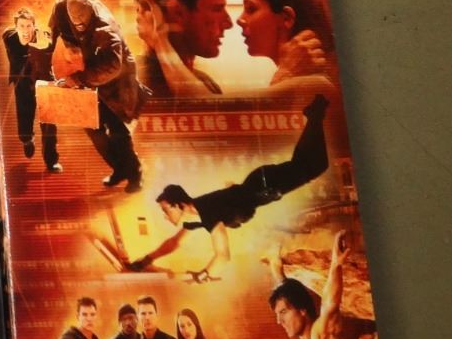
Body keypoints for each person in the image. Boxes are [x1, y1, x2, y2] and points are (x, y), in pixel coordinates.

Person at [133, 96, 333, 280]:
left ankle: (316, 112)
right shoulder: (196, 217)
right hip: (263, 184)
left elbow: (223, 256)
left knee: (314, 165)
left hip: (266, 185)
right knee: (306, 164)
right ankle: (315, 113)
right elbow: (174, 243)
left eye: (166, 210)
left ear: (179, 205)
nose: (165, 216)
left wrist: (203, 275)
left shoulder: (207, 212)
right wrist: (146, 260)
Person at [46, 0, 144, 191]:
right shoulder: (67, 5)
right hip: (93, 73)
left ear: (90, 10)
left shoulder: (106, 30)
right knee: (92, 127)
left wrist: (77, 79)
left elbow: (113, 67)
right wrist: (55, 42)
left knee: (118, 130)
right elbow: (62, 4)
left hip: (117, 80)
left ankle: (135, 174)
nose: (78, 24)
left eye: (82, 19)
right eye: (74, 20)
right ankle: (119, 169)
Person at [132, 0, 230, 98]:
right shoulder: (132, 86)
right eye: (216, 9)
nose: (228, 23)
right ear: (177, 13)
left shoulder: (205, 82)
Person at [240, 0, 338, 91]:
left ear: (287, 17)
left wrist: (284, 76)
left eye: (250, 9)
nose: (239, 20)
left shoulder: (320, 84)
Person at [2, 8, 60, 171]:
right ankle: (27, 140)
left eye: (29, 26)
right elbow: (13, 39)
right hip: (22, 83)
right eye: (21, 26)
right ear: (16, 27)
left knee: (49, 123)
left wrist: (43, 44)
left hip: (42, 83)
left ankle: (51, 160)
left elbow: (50, 47)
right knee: (24, 120)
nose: (25, 30)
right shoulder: (9, 37)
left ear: (34, 26)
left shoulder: (43, 37)